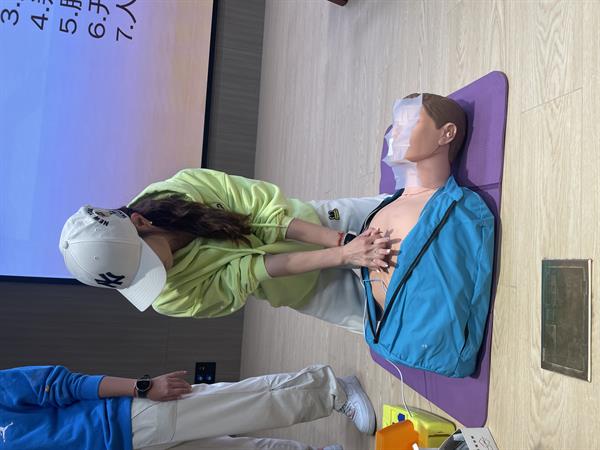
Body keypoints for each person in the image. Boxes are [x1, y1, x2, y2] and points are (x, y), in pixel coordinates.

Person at [60, 171, 390, 334]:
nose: (153, 275)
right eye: (138, 277)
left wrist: (340, 240)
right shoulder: (165, 298)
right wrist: (343, 256)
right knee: (390, 321)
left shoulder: (182, 189)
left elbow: (264, 218)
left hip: (312, 224)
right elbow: (251, 270)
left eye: (145, 261)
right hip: (299, 284)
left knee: (400, 219)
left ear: (141, 222)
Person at [361, 93, 495, 377]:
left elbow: (471, 286)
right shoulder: (384, 207)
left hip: (429, 351)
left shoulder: (465, 211)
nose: (394, 133)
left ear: (447, 133)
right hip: (382, 337)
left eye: (409, 122)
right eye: (394, 124)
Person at [0, 364, 375, 449]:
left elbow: (61, 384)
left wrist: (143, 388)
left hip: (121, 420)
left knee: (242, 404)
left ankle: (333, 390)